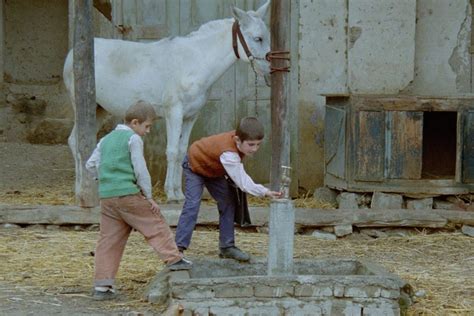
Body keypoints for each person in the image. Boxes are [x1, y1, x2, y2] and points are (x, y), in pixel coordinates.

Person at [85, 101, 192, 301]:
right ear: (135, 122)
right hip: (128, 194)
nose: (148, 131)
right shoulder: (133, 139)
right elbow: (140, 170)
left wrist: (105, 178)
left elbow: (90, 165)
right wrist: (148, 197)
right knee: (154, 222)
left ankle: (102, 286)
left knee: (109, 240)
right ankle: (173, 258)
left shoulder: (105, 140)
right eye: (147, 126)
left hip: (107, 197)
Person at [175, 117, 281, 262]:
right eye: (251, 145)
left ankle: (227, 247)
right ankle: (177, 250)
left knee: (228, 202)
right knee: (192, 204)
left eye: (258, 144)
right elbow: (243, 182)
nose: (255, 149)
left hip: (214, 169)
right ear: (237, 140)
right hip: (195, 166)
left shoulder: (239, 140)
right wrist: (265, 192)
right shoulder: (229, 153)